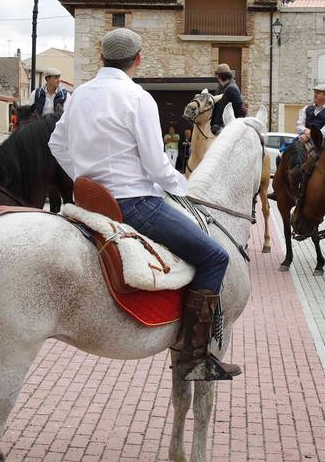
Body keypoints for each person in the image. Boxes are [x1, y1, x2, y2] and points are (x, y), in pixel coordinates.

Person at [50, 28, 240, 381]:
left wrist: (84, 178)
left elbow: (56, 144)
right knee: (216, 256)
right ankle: (194, 356)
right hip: (134, 203)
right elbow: (156, 164)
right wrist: (182, 188)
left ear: (101, 58)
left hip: (89, 200)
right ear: (138, 60)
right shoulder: (138, 98)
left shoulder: (78, 96)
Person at [209, 63, 245, 135]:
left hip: (226, 130)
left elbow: (241, 111)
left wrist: (233, 127)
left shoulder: (231, 89)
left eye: (217, 76)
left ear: (219, 76)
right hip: (218, 128)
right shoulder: (221, 87)